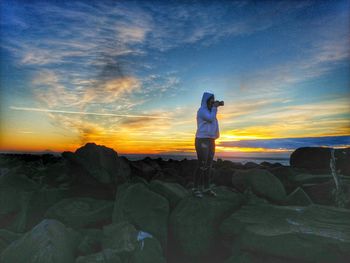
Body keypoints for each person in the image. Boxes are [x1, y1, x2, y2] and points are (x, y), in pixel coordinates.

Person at [193, 91, 221, 198]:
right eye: (211, 101)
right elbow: (210, 119)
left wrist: (215, 137)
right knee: (202, 164)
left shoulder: (212, 112)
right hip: (202, 140)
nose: (213, 103)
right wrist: (215, 108)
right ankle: (196, 188)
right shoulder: (202, 111)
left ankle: (206, 188)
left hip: (210, 140)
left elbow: (215, 124)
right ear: (206, 101)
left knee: (208, 166)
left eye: (214, 101)